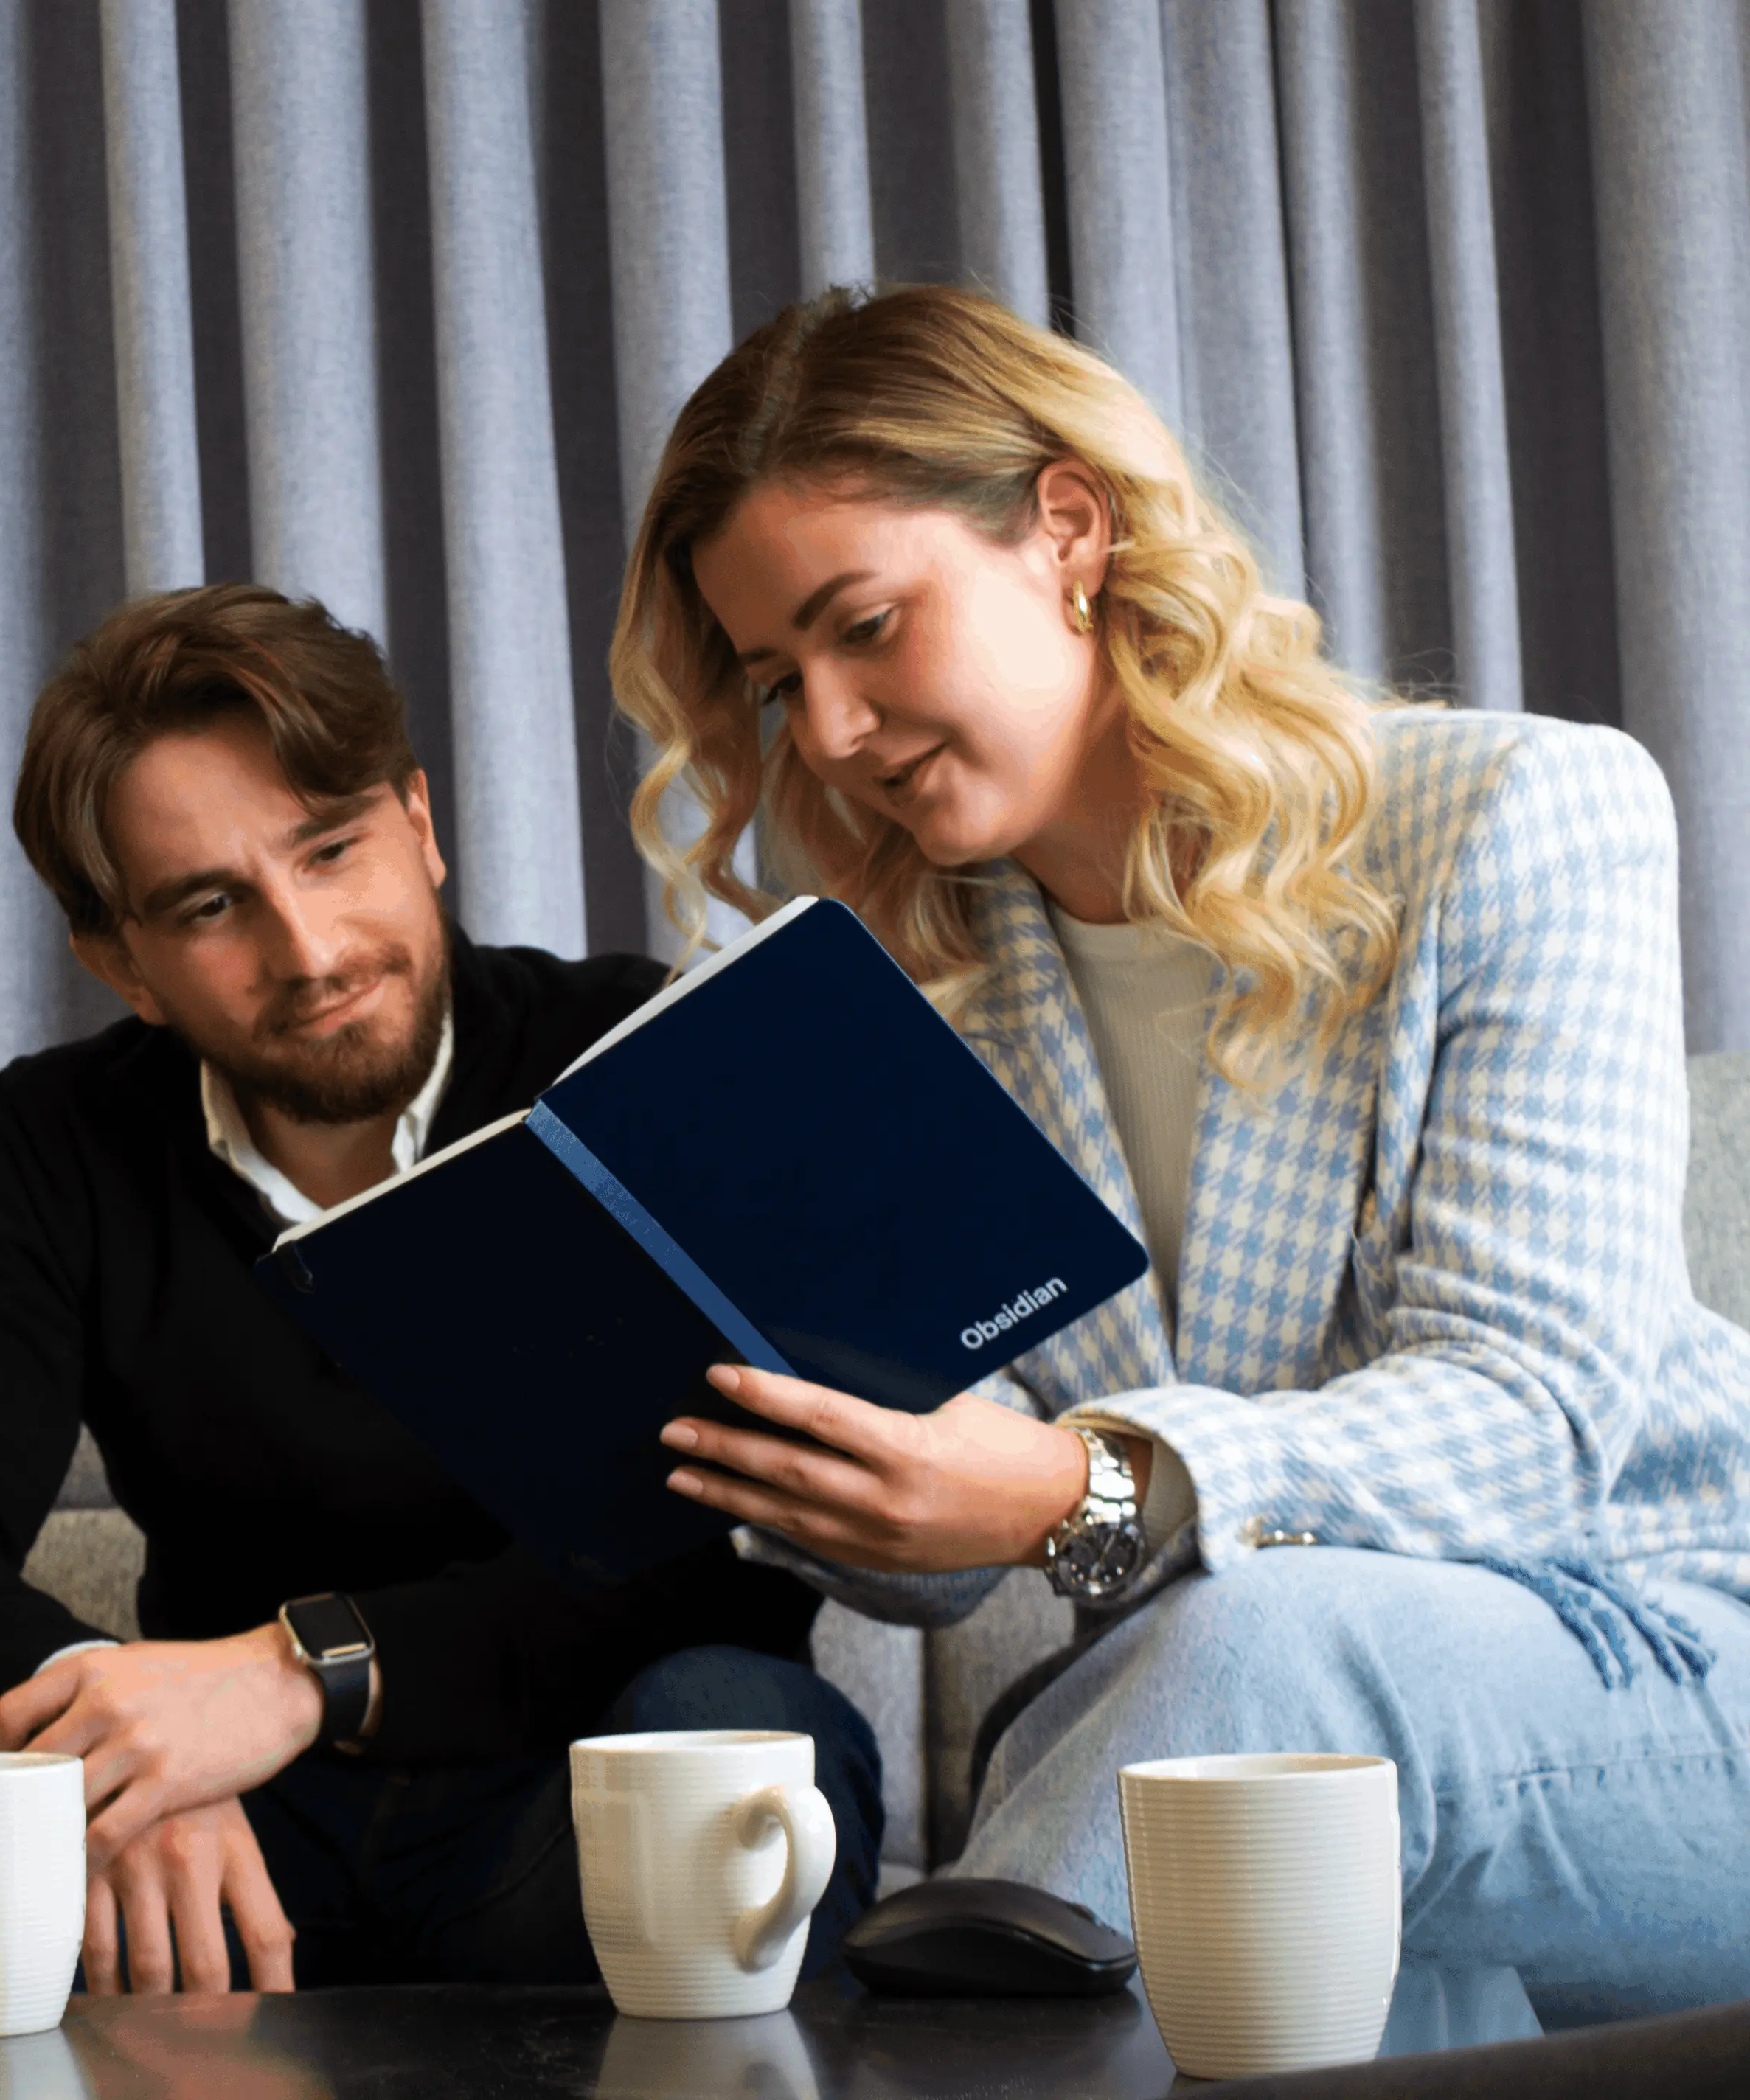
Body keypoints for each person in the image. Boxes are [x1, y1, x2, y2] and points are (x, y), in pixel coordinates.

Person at [611, 282, 1750, 2023]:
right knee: (1283, 1886)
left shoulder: (1523, 815)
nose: (828, 727)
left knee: (1241, 1680)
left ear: (1065, 528)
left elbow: (1535, 1415)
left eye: (866, 626)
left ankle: (946, 2053)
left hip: (1659, 1660)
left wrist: (1072, 1481)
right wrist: (833, 1452)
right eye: (779, 679)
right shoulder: (911, 994)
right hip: (1246, 1757)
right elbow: (975, 1546)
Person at [0, 583, 881, 2000]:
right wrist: (131, 1745)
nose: (309, 951)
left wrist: (294, 1670)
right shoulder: (61, 1145)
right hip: (226, 1843)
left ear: (421, 826)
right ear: (117, 961)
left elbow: (698, 1548)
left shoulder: (632, 1055)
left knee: (736, 1722)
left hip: (567, 1805)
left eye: (332, 850)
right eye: (211, 905)